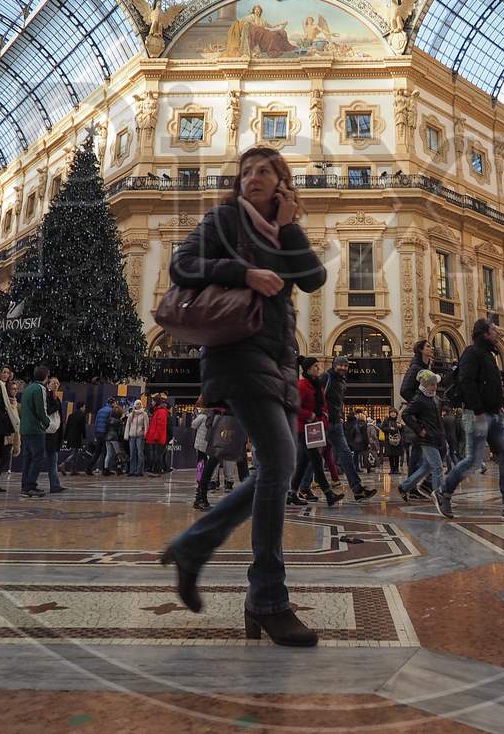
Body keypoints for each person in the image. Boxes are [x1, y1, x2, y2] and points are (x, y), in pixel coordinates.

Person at [158, 145, 327, 647]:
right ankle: (268, 599)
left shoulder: (281, 229)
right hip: (236, 350)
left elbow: (313, 279)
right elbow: (181, 265)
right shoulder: (225, 218)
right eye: (247, 170)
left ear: (281, 184)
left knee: (279, 466)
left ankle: (193, 547)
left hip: (278, 357)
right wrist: (245, 273)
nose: (253, 176)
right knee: (279, 462)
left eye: (265, 171)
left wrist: (291, 224)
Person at [435, 318, 504, 521]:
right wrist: (478, 411)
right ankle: (444, 490)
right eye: (494, 330)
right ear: (485, 333)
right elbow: (466, 381)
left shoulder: (489, 354)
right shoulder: (472, 352)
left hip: (495, 415)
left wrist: (500, 406)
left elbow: (491, 385)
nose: (497, 333)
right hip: (478, 415)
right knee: (473, 460)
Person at [288, 358, 341, 507]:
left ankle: (292, 493)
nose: (319, 368)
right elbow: (294, 407)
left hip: (315, 427)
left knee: (304, 462)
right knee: (317, 461)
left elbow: (322, 404)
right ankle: (328, 493)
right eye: (315, 366)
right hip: (304, 428)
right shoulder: (302, 386)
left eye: (318, 366)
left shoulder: (317, 385)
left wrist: (324, 414)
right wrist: (309, 415)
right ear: (308, 369)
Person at [321, 356, 373, 500]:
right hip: (324, 422)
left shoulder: (342, 380)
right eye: (340, 365)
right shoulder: (327, 377)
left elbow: (338, 401)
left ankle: (357, 488)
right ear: (334, 365)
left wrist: (340, 414)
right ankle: (300, 488)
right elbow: (319, 396)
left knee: (345, 453)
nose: (343, 368)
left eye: (345, 365)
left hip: (336, 423)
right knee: (311, 457)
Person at [397, 369, 445, 502]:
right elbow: (406, 414)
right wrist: (419, 430)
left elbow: (438, 419)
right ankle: (440, 497)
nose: (435, 386)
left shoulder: (435, 398)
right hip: (426, 438)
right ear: (425, 385)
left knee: (427, 466)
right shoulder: (419, 399)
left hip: (435, 436)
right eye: (432, 384)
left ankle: (405, 487)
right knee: (437, 467)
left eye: (435, 384)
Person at [18, 366, 51, 498]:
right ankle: (30, 485)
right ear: (45, 377)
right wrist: (47, 423)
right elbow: (41, 409)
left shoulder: (28, 388)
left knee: (28, 457)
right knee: (38, 457)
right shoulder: (40, 389)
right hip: (35, 428)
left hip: (25, 428)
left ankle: (25, 485)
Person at [42, 374, 65, 494]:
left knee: (53, 459)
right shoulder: (47, 396)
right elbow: (49, 410)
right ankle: (54, 485)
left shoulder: (57, 397)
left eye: (57, 382)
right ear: (48, 384)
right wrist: (55, 403)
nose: (56, 384)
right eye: (53, 382)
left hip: (55, 432)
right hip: (48, 431)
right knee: (51, 459)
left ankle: (55, 484)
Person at [146, 396, 171, 475]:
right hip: (156, 437)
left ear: (156, 402)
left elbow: (161, 425)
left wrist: (156, 436)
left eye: (153, 401)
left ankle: (158, 470)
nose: (151, 403)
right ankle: (157, 470)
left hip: (158, 438)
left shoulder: (161, 411)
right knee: (157, 455)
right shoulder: (157, 411)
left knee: (158, 455)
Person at [124, 397, 148, 477]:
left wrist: (145, 435)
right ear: (134, 405)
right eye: (137, 404)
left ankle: (139, 471)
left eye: (139, 404)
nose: (138, 405)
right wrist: (126, 435)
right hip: (132, 436)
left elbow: (146, 426)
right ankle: (132, 470)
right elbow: (128, 425)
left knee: (140, 453)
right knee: (132, 454)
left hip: (140, 436)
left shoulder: (144, 414)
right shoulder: (131, 414)